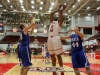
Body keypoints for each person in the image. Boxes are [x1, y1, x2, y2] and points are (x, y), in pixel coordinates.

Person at [47, 4, 66, 75]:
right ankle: (54, 70)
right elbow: (51, 14)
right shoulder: (53, 22)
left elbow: (61, 16)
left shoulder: (59, 24)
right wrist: (58, 9)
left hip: (55, 38)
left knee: (58, 55)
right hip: (49, 39)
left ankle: (61, 70)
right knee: (52, 55)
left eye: (60, 19)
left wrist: (61, 10)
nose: (59, 19)